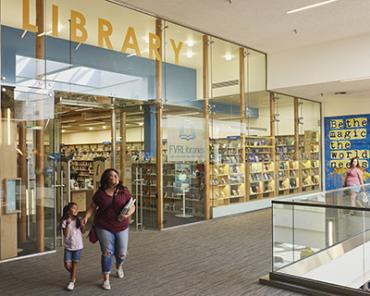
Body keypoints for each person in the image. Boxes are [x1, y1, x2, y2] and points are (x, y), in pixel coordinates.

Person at [82, 168, 135, 290]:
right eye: (111, 176)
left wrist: (128, 214)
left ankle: (119, 265)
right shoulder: (100, 193)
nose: (114, 177)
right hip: (104, 226)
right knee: (107, 252)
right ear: (106, 178)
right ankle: (106, 278)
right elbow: (93, 206)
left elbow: (132, 206)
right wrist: (86, 216)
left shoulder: (124, 191)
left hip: (121, 226)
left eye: (116, 175)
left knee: (122, 253)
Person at [60, 202, 84, 291]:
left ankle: (72, 281)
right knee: (67, 264)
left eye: (77, 209)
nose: (76, 210)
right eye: (74, 208)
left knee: (74, 263)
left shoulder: (78, 219)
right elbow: (65, 235)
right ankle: (73, 275)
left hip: (78, 245)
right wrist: (67, 224)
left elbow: (83, 231)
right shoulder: (64, 221)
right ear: (68, 210)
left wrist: (82, 225)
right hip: (68, 246)